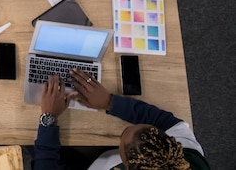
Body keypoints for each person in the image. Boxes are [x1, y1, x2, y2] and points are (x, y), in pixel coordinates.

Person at [32, 70, 210, 169]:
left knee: (33, 147)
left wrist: (49, 119)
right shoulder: (186, 156)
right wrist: (110, 102)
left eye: (122, 145)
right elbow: (168, 122)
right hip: (97, 161)